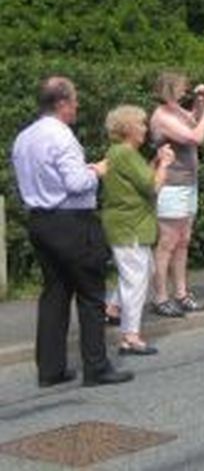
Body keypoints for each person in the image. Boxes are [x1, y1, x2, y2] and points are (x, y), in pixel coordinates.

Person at [11, 76, 133, 387]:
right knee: (91, 294)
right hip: (72, 222)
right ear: (62, 103)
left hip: (40, 220)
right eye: (75, 100)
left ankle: (50, 369)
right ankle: (96, 367)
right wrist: (97, 171)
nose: (78, 105)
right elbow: (77, 183)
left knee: (54, 294)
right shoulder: (62, 137)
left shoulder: (24, 138)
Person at [101, 106, 174, 356]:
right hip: (129, 226)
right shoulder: (126, 153)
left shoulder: (122, 153)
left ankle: (112, 307)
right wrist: (164, 164)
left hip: (130, 225)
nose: (145, 129)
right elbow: (152, 186)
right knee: (136, 281)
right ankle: (129, 337)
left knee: (145, 271)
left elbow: (140, 178)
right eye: (141, 124)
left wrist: (154, 162)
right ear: (128, 128)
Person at [149, 73, 204, 318]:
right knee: (167, 243)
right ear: (169, 89)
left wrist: (200, 103)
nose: (185, 90)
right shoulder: (162, 116)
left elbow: (194, 121)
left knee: (183, 240)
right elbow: (196, 137)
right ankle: (160, 297)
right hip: (171, 185)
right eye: (181, 87)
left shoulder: (177, 110)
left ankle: (181, 293)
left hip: (188, 183)